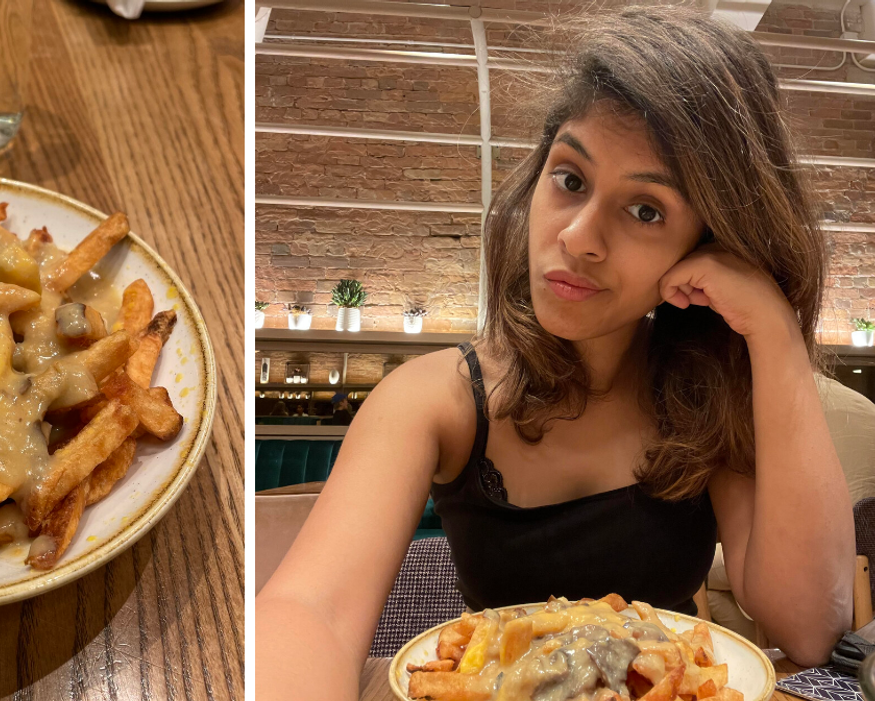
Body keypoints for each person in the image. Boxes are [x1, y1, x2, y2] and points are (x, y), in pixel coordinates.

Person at [256, 8, 855, 698]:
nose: (577, 236)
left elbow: (810, 628)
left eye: (646, 210)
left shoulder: (705, 397)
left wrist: (774, 333)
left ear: (707, 241)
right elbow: (311, 611)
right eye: (569, 179)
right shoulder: (436, 397)